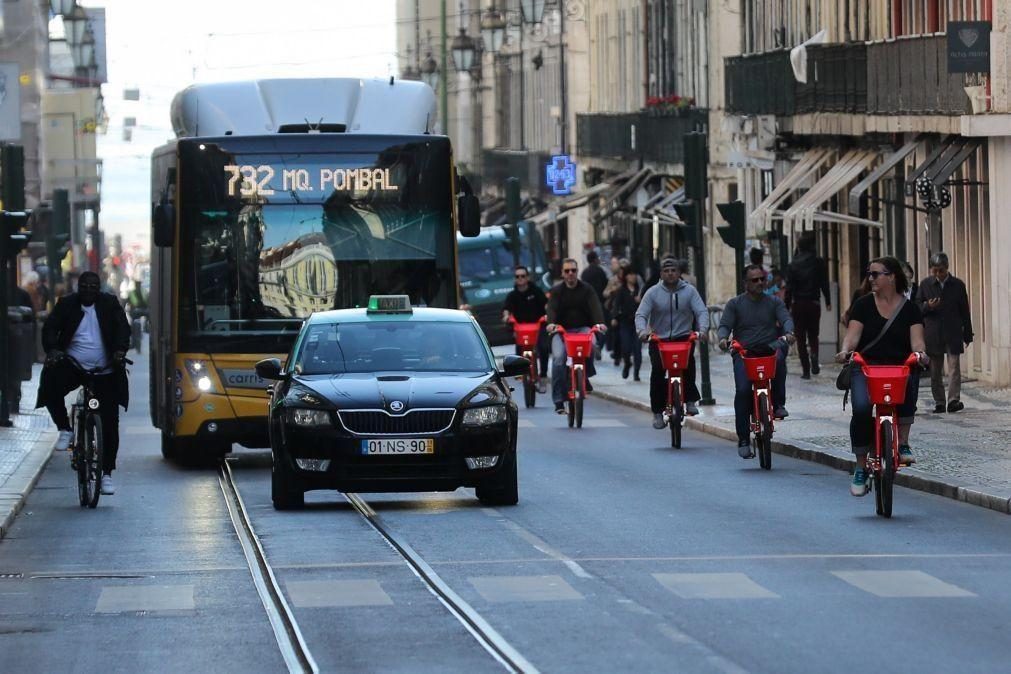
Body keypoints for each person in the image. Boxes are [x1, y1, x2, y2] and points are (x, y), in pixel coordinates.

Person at [836, 257, 928, 496]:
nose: (871, 278)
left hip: (899, 366)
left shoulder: (910, 309)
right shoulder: (863, 305)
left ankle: (904, 443)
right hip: (866, 366)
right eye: (869, 274)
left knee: (912, 373)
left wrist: (920, 354)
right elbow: (853, 336)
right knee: (862, 409)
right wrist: (846, 351)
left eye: (876, 274)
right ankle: (860, 466)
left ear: (892, 277)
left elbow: (917, 341)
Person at [36, 272, 130, 495]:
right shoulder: (67, 304)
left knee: (109, 421)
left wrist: (119, 351)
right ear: (78, 287)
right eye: (84, 286)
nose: (89, 289)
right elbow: (50, 327)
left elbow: (122, 329)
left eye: (93, 286)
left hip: (104, 369)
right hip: (73, 365)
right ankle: (65, 429)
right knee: (50, 384)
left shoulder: (110, 304)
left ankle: (106, 474)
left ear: (99, 288)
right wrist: (53, 350)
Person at [718, 264, 795, 458]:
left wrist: (789, 332)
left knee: (779, 359)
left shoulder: (774, 302)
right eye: (755, 280)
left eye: (762, 279)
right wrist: (723, 339)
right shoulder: (735, 304)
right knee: (743, 391)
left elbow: (785, 318)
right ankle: (743, 439)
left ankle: (778, 404)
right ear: (745, 283)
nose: (760, 282)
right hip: (744, 352)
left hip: (769, 348)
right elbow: (725, 325)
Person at [636, 256, 709, 428]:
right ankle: (657, 412)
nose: (670, 274)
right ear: (661, 274)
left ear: (679, 273)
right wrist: (642, 331)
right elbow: (641, 314)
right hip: (658, 338)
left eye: (673, 271)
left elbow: (701, 311)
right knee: (658, 372)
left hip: (683, 336)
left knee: (688, 365)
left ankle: (690, 400)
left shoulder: (689, 291)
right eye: (666, 271)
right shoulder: (652, 293)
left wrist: (703, 330)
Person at [546, 258, 607, 414]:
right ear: (562, 273)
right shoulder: (557, 291)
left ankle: (585, 375)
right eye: (567, 271)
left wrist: (599, 323)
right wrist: (551, 324)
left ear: (577, 271)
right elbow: (551, 309)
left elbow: (595, 306)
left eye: (573, 270)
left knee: (593, 344)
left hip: (583, 329)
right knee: (559, 358)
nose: (570, 274)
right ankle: (559, 400)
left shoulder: (587, 289)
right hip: (561, 331)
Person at [915, 252, 973, 414]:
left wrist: (967, 333)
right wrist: (928, 306)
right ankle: (939, 401)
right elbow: (917, 308)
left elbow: (965, 311)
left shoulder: (957, 285)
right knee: (935, 370)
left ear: (946, 268)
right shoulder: (926, 284)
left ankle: (953, 400)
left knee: (954, 367)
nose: (938, 274)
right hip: (933, 333)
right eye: (934, 271)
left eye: (940, 270)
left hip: (953, 331)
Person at [784, 233, 831, 379]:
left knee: (800, 337)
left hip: (798, 304)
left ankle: (806, 370)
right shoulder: (818, 262)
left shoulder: (793, 265)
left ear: (799, 247)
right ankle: (815, 355)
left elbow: (789, 288)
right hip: (814, 303)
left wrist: (786, 307)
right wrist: (828, 300)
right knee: (813, 334)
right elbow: (824, 282)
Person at [501, 264, 550, 394]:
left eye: (523, 276)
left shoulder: (536, 291)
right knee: (518, 348)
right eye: (518, 276)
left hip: (538, 327)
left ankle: (543, 376)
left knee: (544, 347)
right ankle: (518, 372)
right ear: (515, 279)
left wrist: (548, 314)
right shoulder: (512, 295)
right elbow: (507, 309)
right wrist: (506, 316)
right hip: (521, 329)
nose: (520, 278)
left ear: (527, 277)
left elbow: (546, 305)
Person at [610, 262, 643, 381]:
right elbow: (616, 305)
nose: (633, 277)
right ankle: (627, 364)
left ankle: (636, 373)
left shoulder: (640, 291)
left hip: (638, 323)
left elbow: (647, 306)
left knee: (637, 349)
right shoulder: (621, 290)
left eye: (634, 274)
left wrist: (640, 301)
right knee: (626, 347)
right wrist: (614, 317)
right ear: (626, 277)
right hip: (625, 322)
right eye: (630, 274)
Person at [602, 258, 627, 365]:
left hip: (626, 311)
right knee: (616, 335)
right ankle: (617, 355)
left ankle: (624, 354)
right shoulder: (613, 280)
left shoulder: (629, 280)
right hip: (614, 310)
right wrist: (612, 290)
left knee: (624, 335)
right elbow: (605, 293)